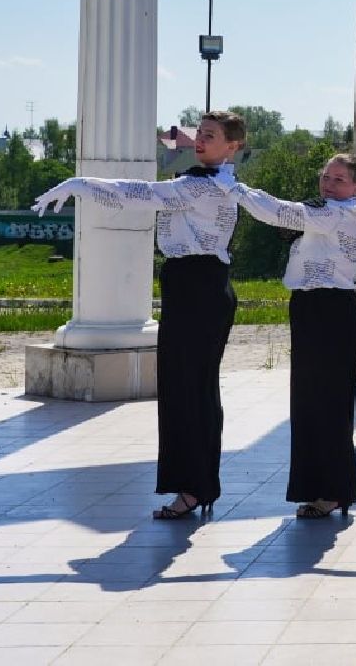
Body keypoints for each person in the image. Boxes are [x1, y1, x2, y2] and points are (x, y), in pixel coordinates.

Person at [33, 111, 247, 520]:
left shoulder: (201, 187)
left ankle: (192, 488)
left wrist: (84, 185)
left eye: (211, 135)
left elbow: (140, 193)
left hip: (197, 287)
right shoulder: (215, 182)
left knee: (186, 388)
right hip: (198, 285)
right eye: (199, 134)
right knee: (195, 387)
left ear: (232, 145)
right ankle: (200, 485)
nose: (200, 140)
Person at [227, 154, 356, 518]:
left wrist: (236, 188)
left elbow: (279, 213)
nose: (329, 184)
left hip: (335, 312)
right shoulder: (319, 212)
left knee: (332, 406)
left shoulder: (342, 213)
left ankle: (336, 491)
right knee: (307, 404)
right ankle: (315, 488)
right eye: (326, 177)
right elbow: (288, 227)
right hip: (307, 308)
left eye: (339, 179)